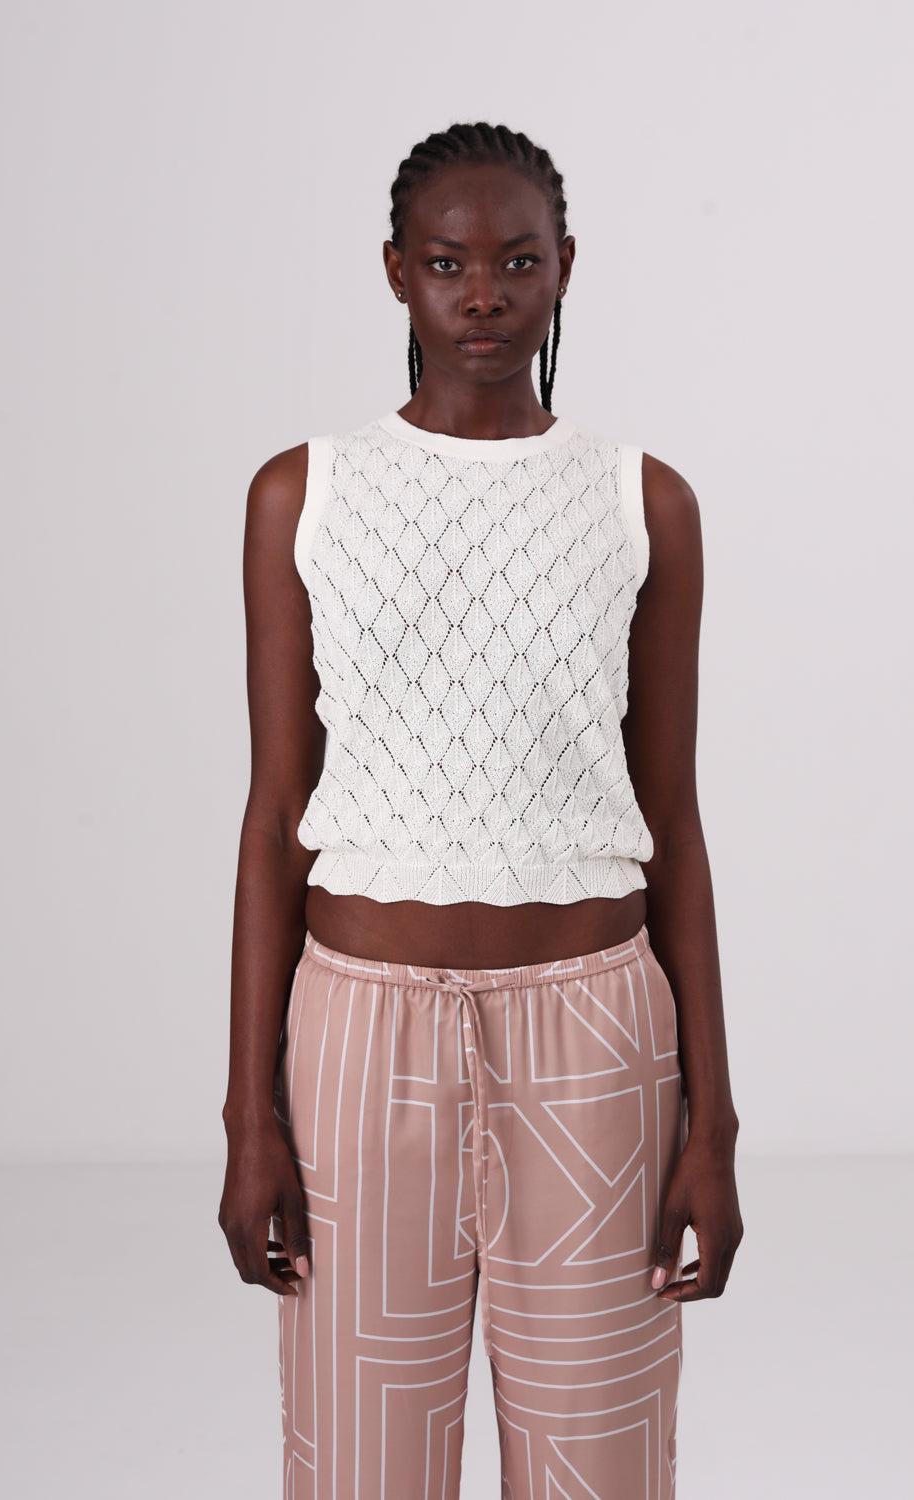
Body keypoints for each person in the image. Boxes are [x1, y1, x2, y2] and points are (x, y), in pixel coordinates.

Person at [218, 120, 743, 1500]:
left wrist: (714, 1128)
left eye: (519, 261)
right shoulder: (303, 496)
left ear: (567, 268)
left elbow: (674, 826)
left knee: (599, 1464)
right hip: (357, 1038)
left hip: (596, 1041)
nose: (486, 295)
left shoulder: (644, 503)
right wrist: (249, 1118)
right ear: (396, 272)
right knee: (362, 1465)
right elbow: (274, 819)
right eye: (448, 264)